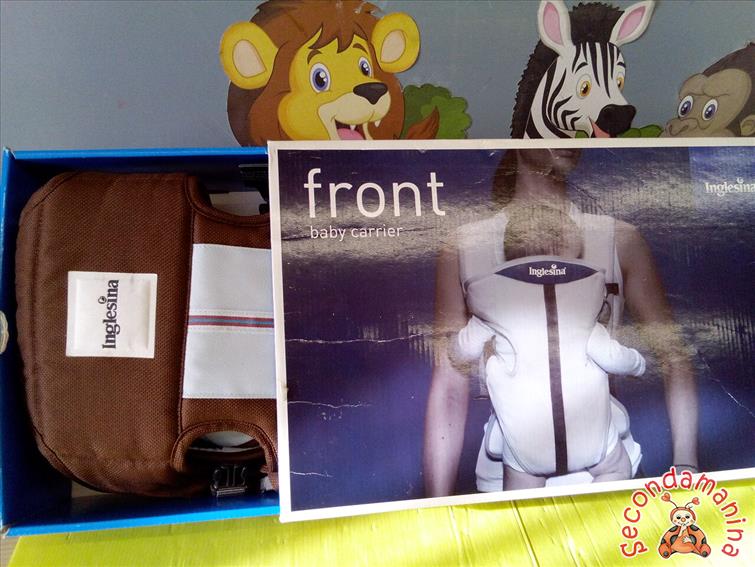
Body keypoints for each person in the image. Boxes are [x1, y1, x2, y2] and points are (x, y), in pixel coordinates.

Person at [423, 148, 699, 496]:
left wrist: (687, 468)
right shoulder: (465, 245)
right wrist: (434, 508)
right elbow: (450, 381)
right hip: (509, 475)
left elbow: (674, 355)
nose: (571, 134)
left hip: (609, 467)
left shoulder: (619, 239)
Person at [449, 204, 646, 489]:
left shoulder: (492, 303)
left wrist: (453, 349)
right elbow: (613, 358)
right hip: (591, 438)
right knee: (617, 468)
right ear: (562, 253)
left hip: (527, 447)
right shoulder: (584, 308)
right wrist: (639, 364)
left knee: (520, 495)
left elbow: (464, 352)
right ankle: (595, 500)